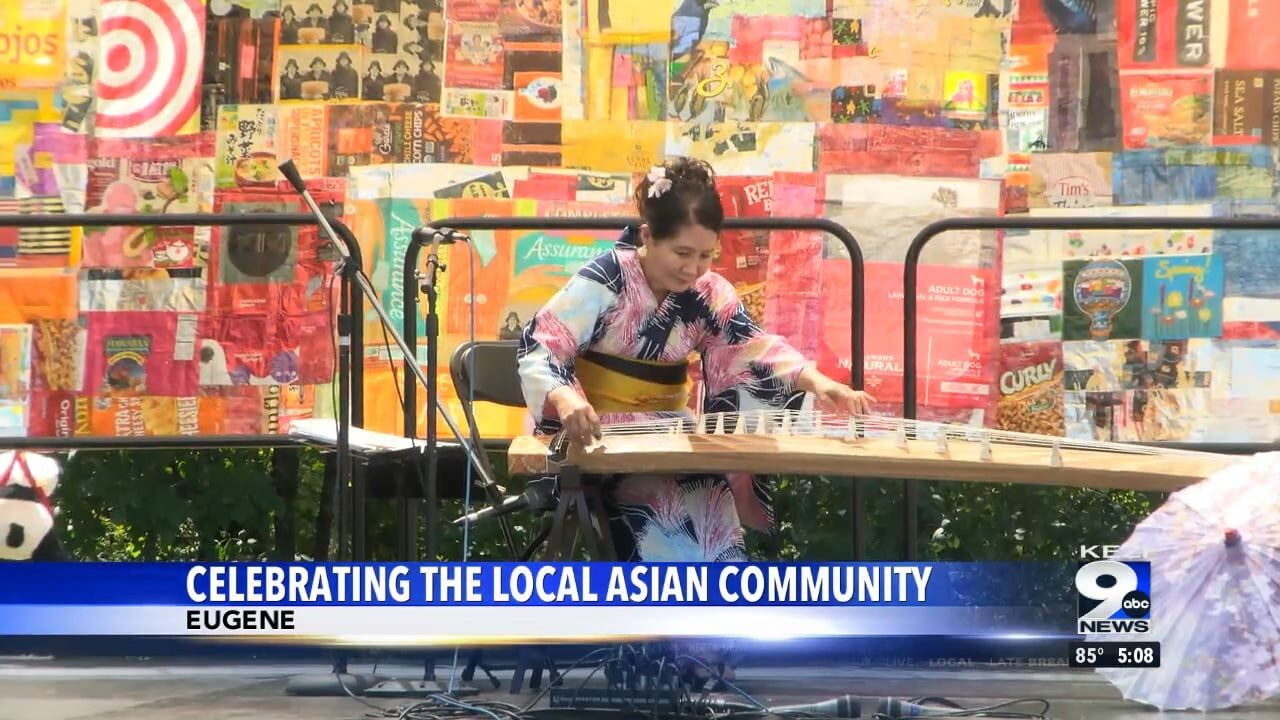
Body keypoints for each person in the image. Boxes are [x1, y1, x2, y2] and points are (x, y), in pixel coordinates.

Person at [515, 156, 874, 682]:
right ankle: (664, 655)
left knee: (711, 496)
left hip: (667, 432)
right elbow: (543, 345)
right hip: (598, 436)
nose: (693, 268)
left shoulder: (710, 294)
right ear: (647, 237)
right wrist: (567, 401)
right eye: (682, 253)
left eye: (706, 254)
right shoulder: (604, 279)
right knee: (664, 507)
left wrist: (817, 382)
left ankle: (707, 655)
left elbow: (752, 347)